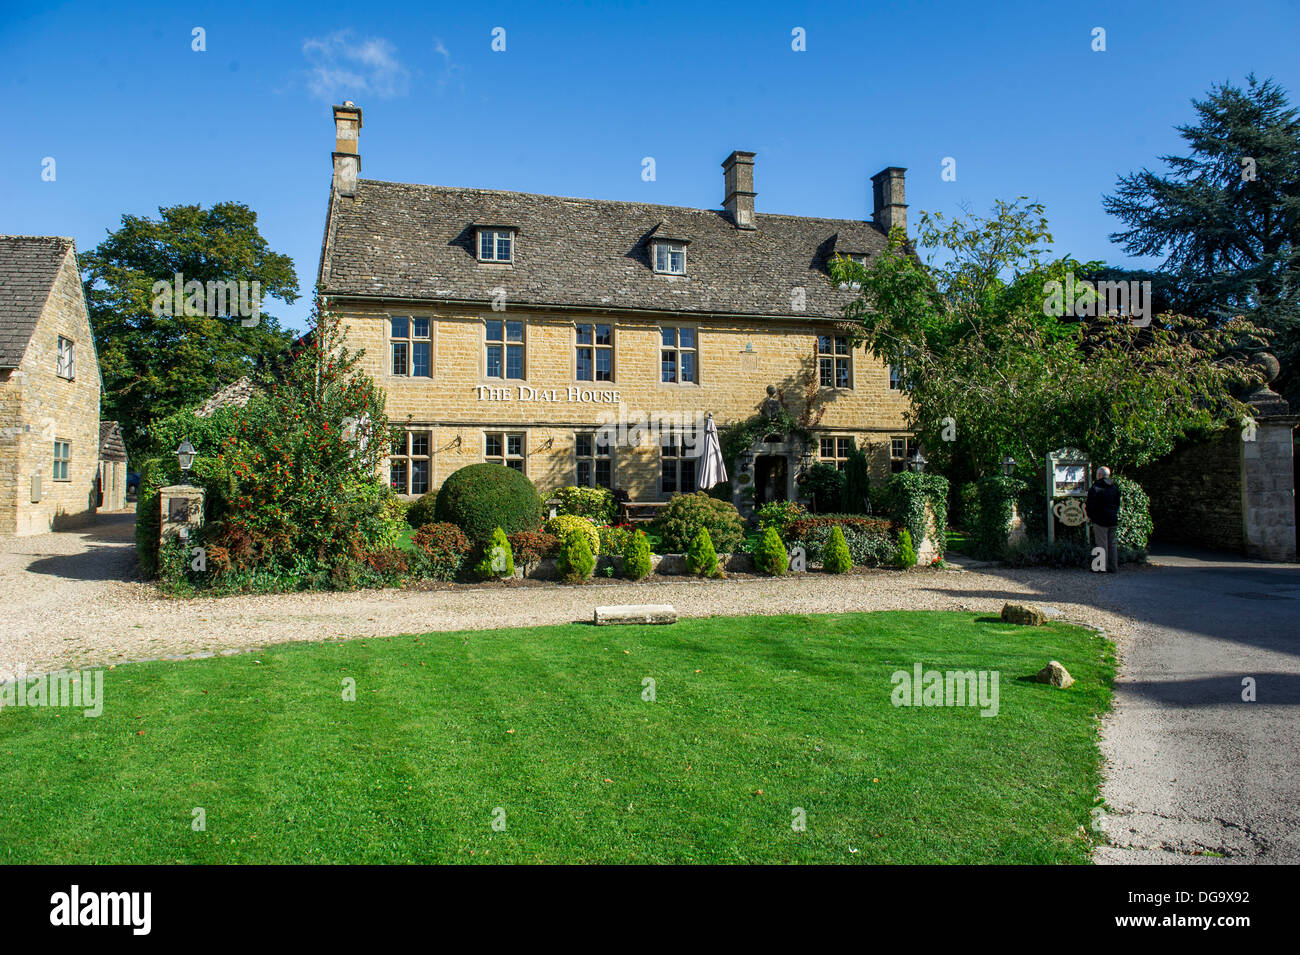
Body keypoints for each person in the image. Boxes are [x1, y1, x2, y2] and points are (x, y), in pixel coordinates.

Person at [1085, 466, 1121, 573]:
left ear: (1099, 475)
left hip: (1100, 519)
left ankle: (1100, 567)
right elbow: (1117, 504)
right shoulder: (1114, 487)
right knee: (1112, 544)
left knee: (1101, 544)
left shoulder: (1096, 487)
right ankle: (1113, 566)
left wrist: (1092, 516)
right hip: (1112, 519)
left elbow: (1090, 505)